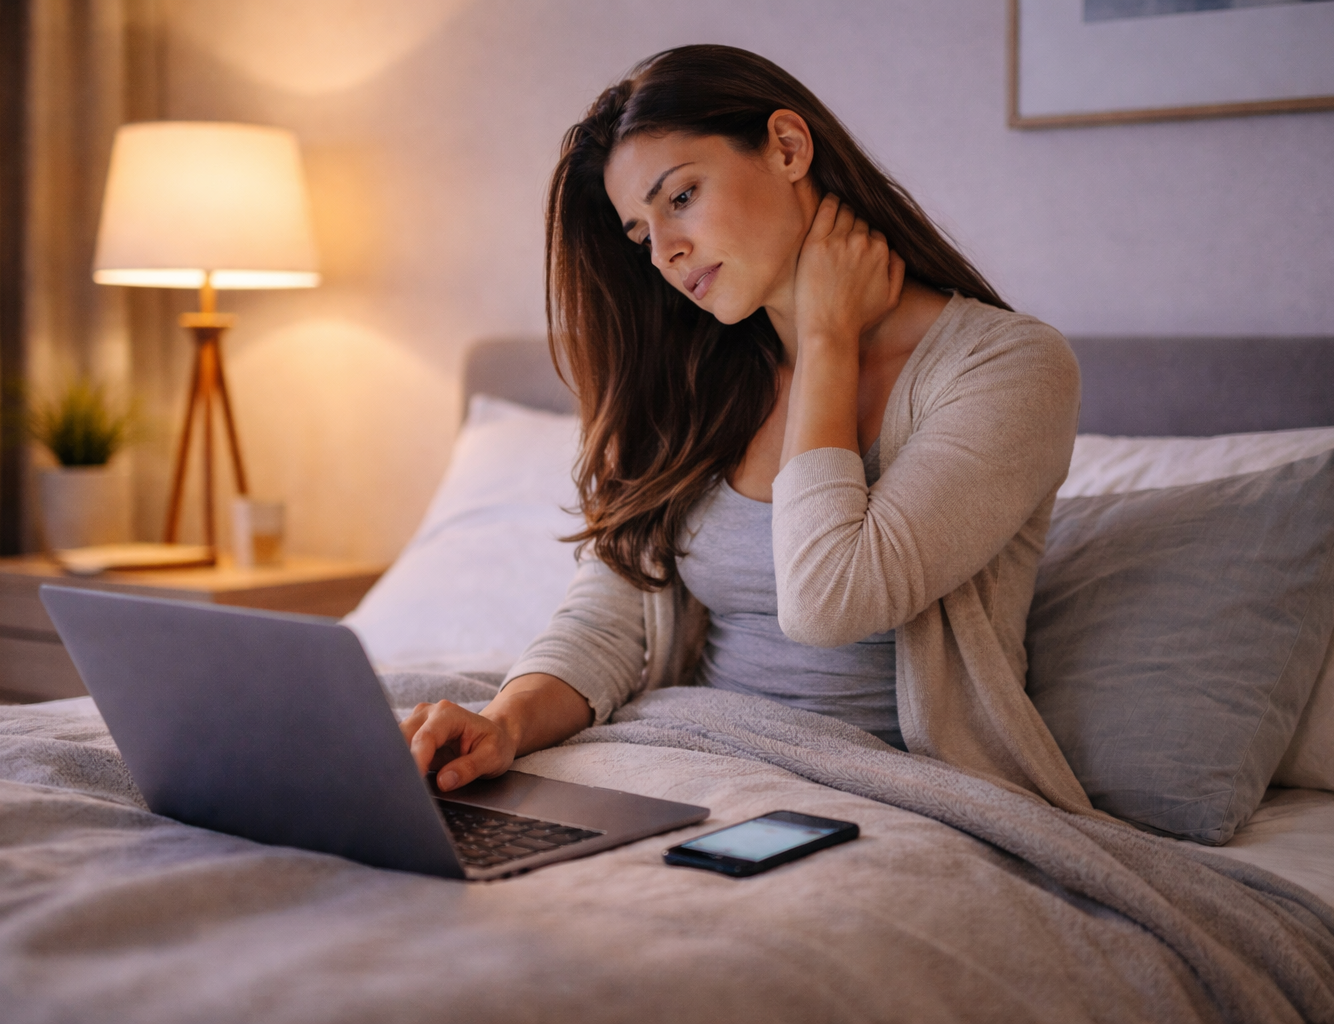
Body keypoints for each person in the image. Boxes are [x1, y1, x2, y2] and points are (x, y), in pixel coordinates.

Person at [400, 44, 1096, 814]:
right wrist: (504, 723)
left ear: (789, 148)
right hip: (691, 761)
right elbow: (611, 612)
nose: (666, 252)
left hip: (897, 801)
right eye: (640, 234)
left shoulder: (1008, 367)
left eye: (682, 197)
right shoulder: (697, 375)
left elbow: (829, 602)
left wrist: (828, 340)